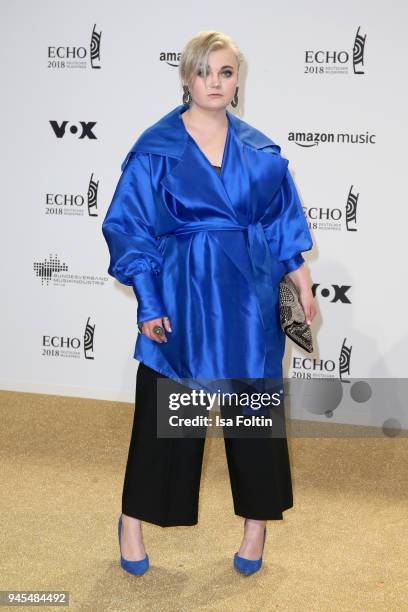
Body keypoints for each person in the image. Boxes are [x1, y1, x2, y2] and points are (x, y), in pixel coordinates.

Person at [102, 30, 317, 576]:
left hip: (250, 296)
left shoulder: (261, 150)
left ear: (237, 80)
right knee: (170, 415)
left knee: (255, 419)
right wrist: (149, 301)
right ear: (186, 79)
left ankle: (256, 528)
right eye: (204, 72)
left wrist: (302, 278)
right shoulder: (156, 149)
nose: (215, 82)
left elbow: (280, 222)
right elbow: (130, 230)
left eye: (225, 72)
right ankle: (133, 520)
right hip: (184, 298)